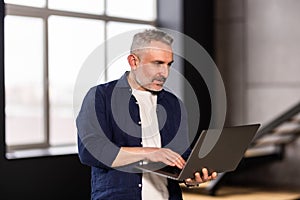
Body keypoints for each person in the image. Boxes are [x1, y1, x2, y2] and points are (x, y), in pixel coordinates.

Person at [76, 29, 217, 200]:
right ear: (133, 61)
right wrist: (148, 152)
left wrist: (191, 175)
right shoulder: (100, 96)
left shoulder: (174, 104)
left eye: (168, 64)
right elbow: (91, 150)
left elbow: (181, 155)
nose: (164, 73)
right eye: (157, 63)